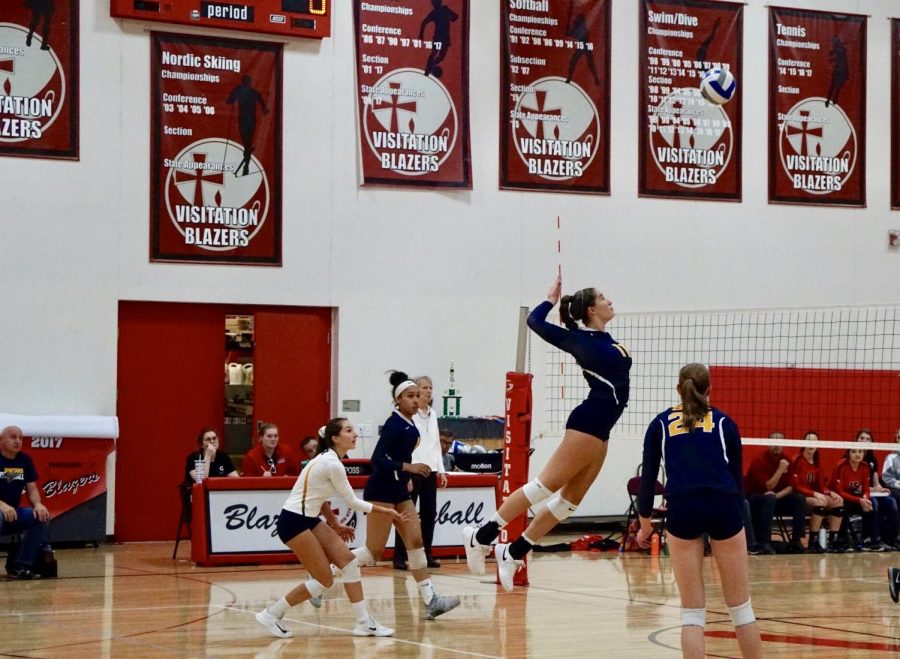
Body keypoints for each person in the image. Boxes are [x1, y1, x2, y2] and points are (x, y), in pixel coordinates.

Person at [464, 274, 631, 591]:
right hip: (588, 422)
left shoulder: (604, 339)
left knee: (569, 504)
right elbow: (534, 321)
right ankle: (480, 535)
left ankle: (513, 552)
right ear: (591, 310)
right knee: (544, 487)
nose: (609, 300)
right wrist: (551, 299)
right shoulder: (579, 340)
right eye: (603, 297)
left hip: (602, 427)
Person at [636, 364, 762, 659]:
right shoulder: (724, 422)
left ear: (678, 389)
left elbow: (648, 481)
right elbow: (736, 478)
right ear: (709, 390)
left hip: (683, 508)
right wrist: (738, 521)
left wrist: (644, 524)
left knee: (692, 614)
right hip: (723, 506)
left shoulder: (659, 424)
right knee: (741, 609)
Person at [255, 418, 404, 638]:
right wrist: (387, 512)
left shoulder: (327, 459)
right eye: (348, 430)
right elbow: (353, 502)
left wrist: (335, 524)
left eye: (354, 429)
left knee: (350, 563)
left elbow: (321, 499)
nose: (354, 434)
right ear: (335, 438)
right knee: (324, 580)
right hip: (293, 522)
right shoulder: (331, 463)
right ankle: (272, 613)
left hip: (309, 519)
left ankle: (364, 623)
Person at [352, 371, 460, 620]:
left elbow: (403, 456)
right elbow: (377, 460)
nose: (416, 400)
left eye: (417, 395)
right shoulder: (393, 424)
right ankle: (322, 573)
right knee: (373, 552)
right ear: (398, 400)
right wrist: (407, 468)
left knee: (415, 540)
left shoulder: (412, 423)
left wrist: (406, 477)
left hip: (399, 489)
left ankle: (431, 599)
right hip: (381, 489)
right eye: (410, 396)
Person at [394, 375, 446, 570]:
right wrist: (406, 473)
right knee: (407, 515)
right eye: (424, 387)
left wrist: (441, 470)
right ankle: (400, 556)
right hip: (413, 469)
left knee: (429, 513)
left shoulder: (432, 414)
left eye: (430, 387)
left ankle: (427, 554)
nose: (428, 391)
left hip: (429, 470)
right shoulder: (410, 415)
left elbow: (435, 445)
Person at [0, 426, 51, 580]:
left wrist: (38, 504)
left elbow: (32, 489)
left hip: (13, 514)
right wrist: (2, 505)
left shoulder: (25, 460)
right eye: (13, 437)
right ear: (1, 441)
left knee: (40, 517)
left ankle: (21, 565)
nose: (17, 441)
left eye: (20, 438)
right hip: (1, 512)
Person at [744, 434, 805, 554]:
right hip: (755, 499)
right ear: (768, 443)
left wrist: (776, 496)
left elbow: (791, 487)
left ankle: (796, 540)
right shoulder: (759, 460)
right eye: (773, 442)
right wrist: (781, 469)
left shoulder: (787, 459)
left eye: (779, 443)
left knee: (799, 499)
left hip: (774, 498)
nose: (776, 446)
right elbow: (769, 486)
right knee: (769, 498)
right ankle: (764, 541)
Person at [789, 432, 844, 553]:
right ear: (803, 443)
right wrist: (815, 494)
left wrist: (829, 492)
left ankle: (833, 541)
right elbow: (796, 486)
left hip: (815, 495)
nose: (811, 444)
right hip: (800, 496)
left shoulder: (818, 462)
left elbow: (821, 486)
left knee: (838, 502)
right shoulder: (796, 460)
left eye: (814, 441)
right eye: (808, 441)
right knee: (820, 502)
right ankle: (813, 542)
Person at [831, 448, 891, 551]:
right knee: (842, 505)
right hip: (840, 497)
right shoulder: (841, 466)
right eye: (853, 452)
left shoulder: (864, 467)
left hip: (855, 498)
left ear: (864, 453)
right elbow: (839, 492)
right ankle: (844, 540)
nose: (857, 454)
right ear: (848, 453)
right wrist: (860, 500)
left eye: (860, 452)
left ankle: (870, 540)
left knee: (872, 503)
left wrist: (865, 499)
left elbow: (866, 489)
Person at [855, 430, 899, 549]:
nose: (864, 441)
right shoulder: (852, 456)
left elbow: (876, 482)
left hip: (871, 491)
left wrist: (881, 489)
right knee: (873, 503)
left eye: (868, 439)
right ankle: (874, 539)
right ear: (856, 440)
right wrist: (872, 489)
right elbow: (857, 485)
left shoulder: (872, 459)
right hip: (858, 493)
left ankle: (893, 538)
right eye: (861, 438)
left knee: (891, 502)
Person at [226, 75, 269, 177]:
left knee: (247, 142)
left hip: (244, 120)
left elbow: (229, 101)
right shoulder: (254, 93)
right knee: (247, 142)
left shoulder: (240, 90)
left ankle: (247, 160)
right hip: (251, 120)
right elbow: (265, 109)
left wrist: (236, 94)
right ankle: (247, 159)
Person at [881, 429, 900, 511]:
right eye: (899, 437)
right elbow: (887, 479)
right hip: (896, 489)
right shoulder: (891, 457)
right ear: (897, 439)